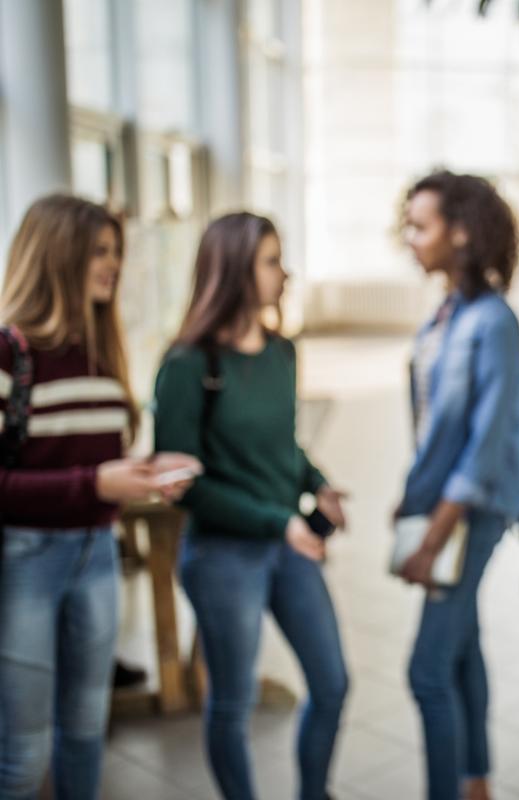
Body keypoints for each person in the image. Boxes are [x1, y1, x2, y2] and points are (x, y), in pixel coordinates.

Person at [0, 194, 197, 799]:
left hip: (98, 556)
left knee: (87, 735)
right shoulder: (10, 353)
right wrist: (95, 484)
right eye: (100, 252)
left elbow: (88, 460)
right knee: (24, 756)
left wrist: (141, 471)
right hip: (25, 560)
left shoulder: (103, 354)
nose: (113, 265)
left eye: (116, 252)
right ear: (59, 254)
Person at [153, 213, 349, 800]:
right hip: (221, 556)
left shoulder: (282, 353)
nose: (285, 273)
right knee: (232, 704)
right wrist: (279, 520)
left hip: (287, 544)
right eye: (271, 260)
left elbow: (283, 445)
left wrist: (318, 482)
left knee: (332, 683)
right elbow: (183, 481)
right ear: (235, 269)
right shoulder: (188, 366)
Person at [393, 171, 519, 800]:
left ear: (462, 233)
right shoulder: (447, 311)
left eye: (421, 225)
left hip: (473, 511)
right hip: (446, 503)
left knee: (426, 671)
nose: (409, 236)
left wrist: (433, 538)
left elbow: (482, 446)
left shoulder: (493, 320)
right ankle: (476, 782)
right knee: (462, 646)